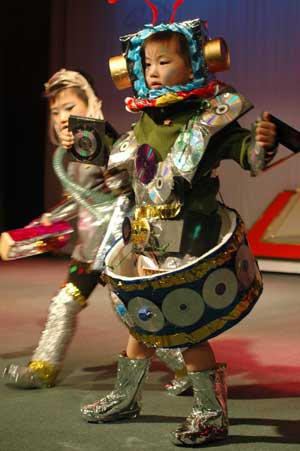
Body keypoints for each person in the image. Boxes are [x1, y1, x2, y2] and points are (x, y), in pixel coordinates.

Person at [80, 16, 279, 448]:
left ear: (193, 65)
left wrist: (262, 143)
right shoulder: (146, 121)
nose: (152, 70)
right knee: (140, 321)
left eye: (164, 61)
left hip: (191, 237)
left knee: (189, 329)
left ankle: (211, 412)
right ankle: (126, 397)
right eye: (147, 62)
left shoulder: (213, 117)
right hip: (149, 234)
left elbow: (248, 155)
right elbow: (130, 174)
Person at [2, 68, 189, 391]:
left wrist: (101, 152)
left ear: (92, 105)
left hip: (118, 247)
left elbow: (124, 184)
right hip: (89, 251)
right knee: (64, 303)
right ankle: (43, 367)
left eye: (70, 108)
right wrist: (46, 223)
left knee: (136, 313)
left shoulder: (106, 142)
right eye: (56, 111)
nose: (62, 117)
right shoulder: (73, 153)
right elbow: (80, 197)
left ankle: (188, 368)